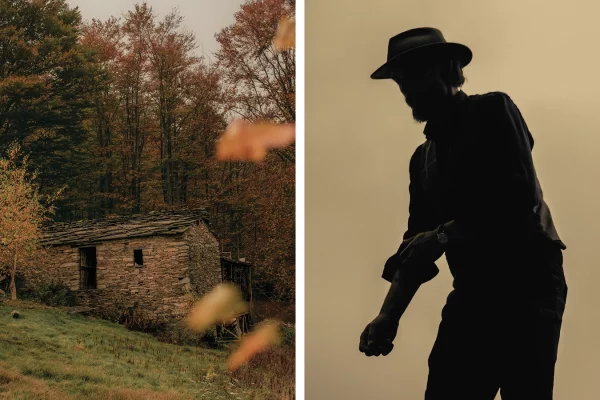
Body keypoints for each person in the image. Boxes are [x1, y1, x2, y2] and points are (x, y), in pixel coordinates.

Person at [358, 27, 568, 400]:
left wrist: (443, 235)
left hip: (529, 284)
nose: (405, 88)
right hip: (472, 294)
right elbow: (414, 247)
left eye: (414, 75)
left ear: (447, 69)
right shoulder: (421, 161)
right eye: (399, 81)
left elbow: (519, 196)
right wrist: (389, 314)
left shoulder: (493, 110)